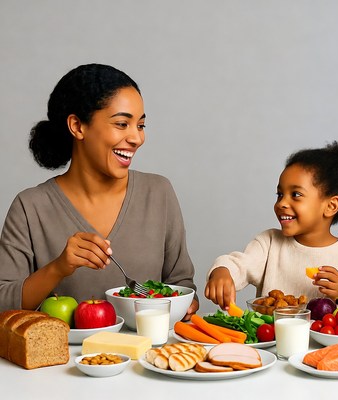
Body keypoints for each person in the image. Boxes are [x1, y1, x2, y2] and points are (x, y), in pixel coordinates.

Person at [0, 63, 199, 319]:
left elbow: (181, 285)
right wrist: (59, 267)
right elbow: (4, 303)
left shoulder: (158, 193)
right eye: (121, 124)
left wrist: (186, 305)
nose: (137, 138)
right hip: (62, 359)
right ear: (78, 126)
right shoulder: (30, 207)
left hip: (146, 357)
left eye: (140, 125)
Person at [205, 140, 338, 310]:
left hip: (331, 345)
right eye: (279, 195)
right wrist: (223, 271)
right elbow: (239, 265)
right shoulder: (269, 243)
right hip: (272, 344)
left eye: (296, 195)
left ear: (331, 206)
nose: (282, 203)